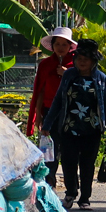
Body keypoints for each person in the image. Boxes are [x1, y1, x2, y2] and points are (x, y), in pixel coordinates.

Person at [42, 39, 106, 210]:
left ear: (94, 61)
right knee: (68, 162)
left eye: (86, 58)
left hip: (92, 130)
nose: (82, 61)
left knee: (87, 165)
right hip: (69, 128)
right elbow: (58, 101)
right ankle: (70, 193)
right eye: (79, 57)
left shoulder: (101, 79)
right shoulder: (69, 76)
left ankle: (85, 198)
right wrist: (47, 124)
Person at [26, 26, 76, 188]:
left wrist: (66, 73)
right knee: (50, 148)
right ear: (52, 46)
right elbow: (39, 92)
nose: (60, 48)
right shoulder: (45, 65)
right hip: (49, 112)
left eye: (64, 44)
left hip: (71, 112)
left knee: (69, 148)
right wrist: (38, 116)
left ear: (70, 46)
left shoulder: (77, 65)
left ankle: (71, 185)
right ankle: (50, 180)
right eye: (57, 44)